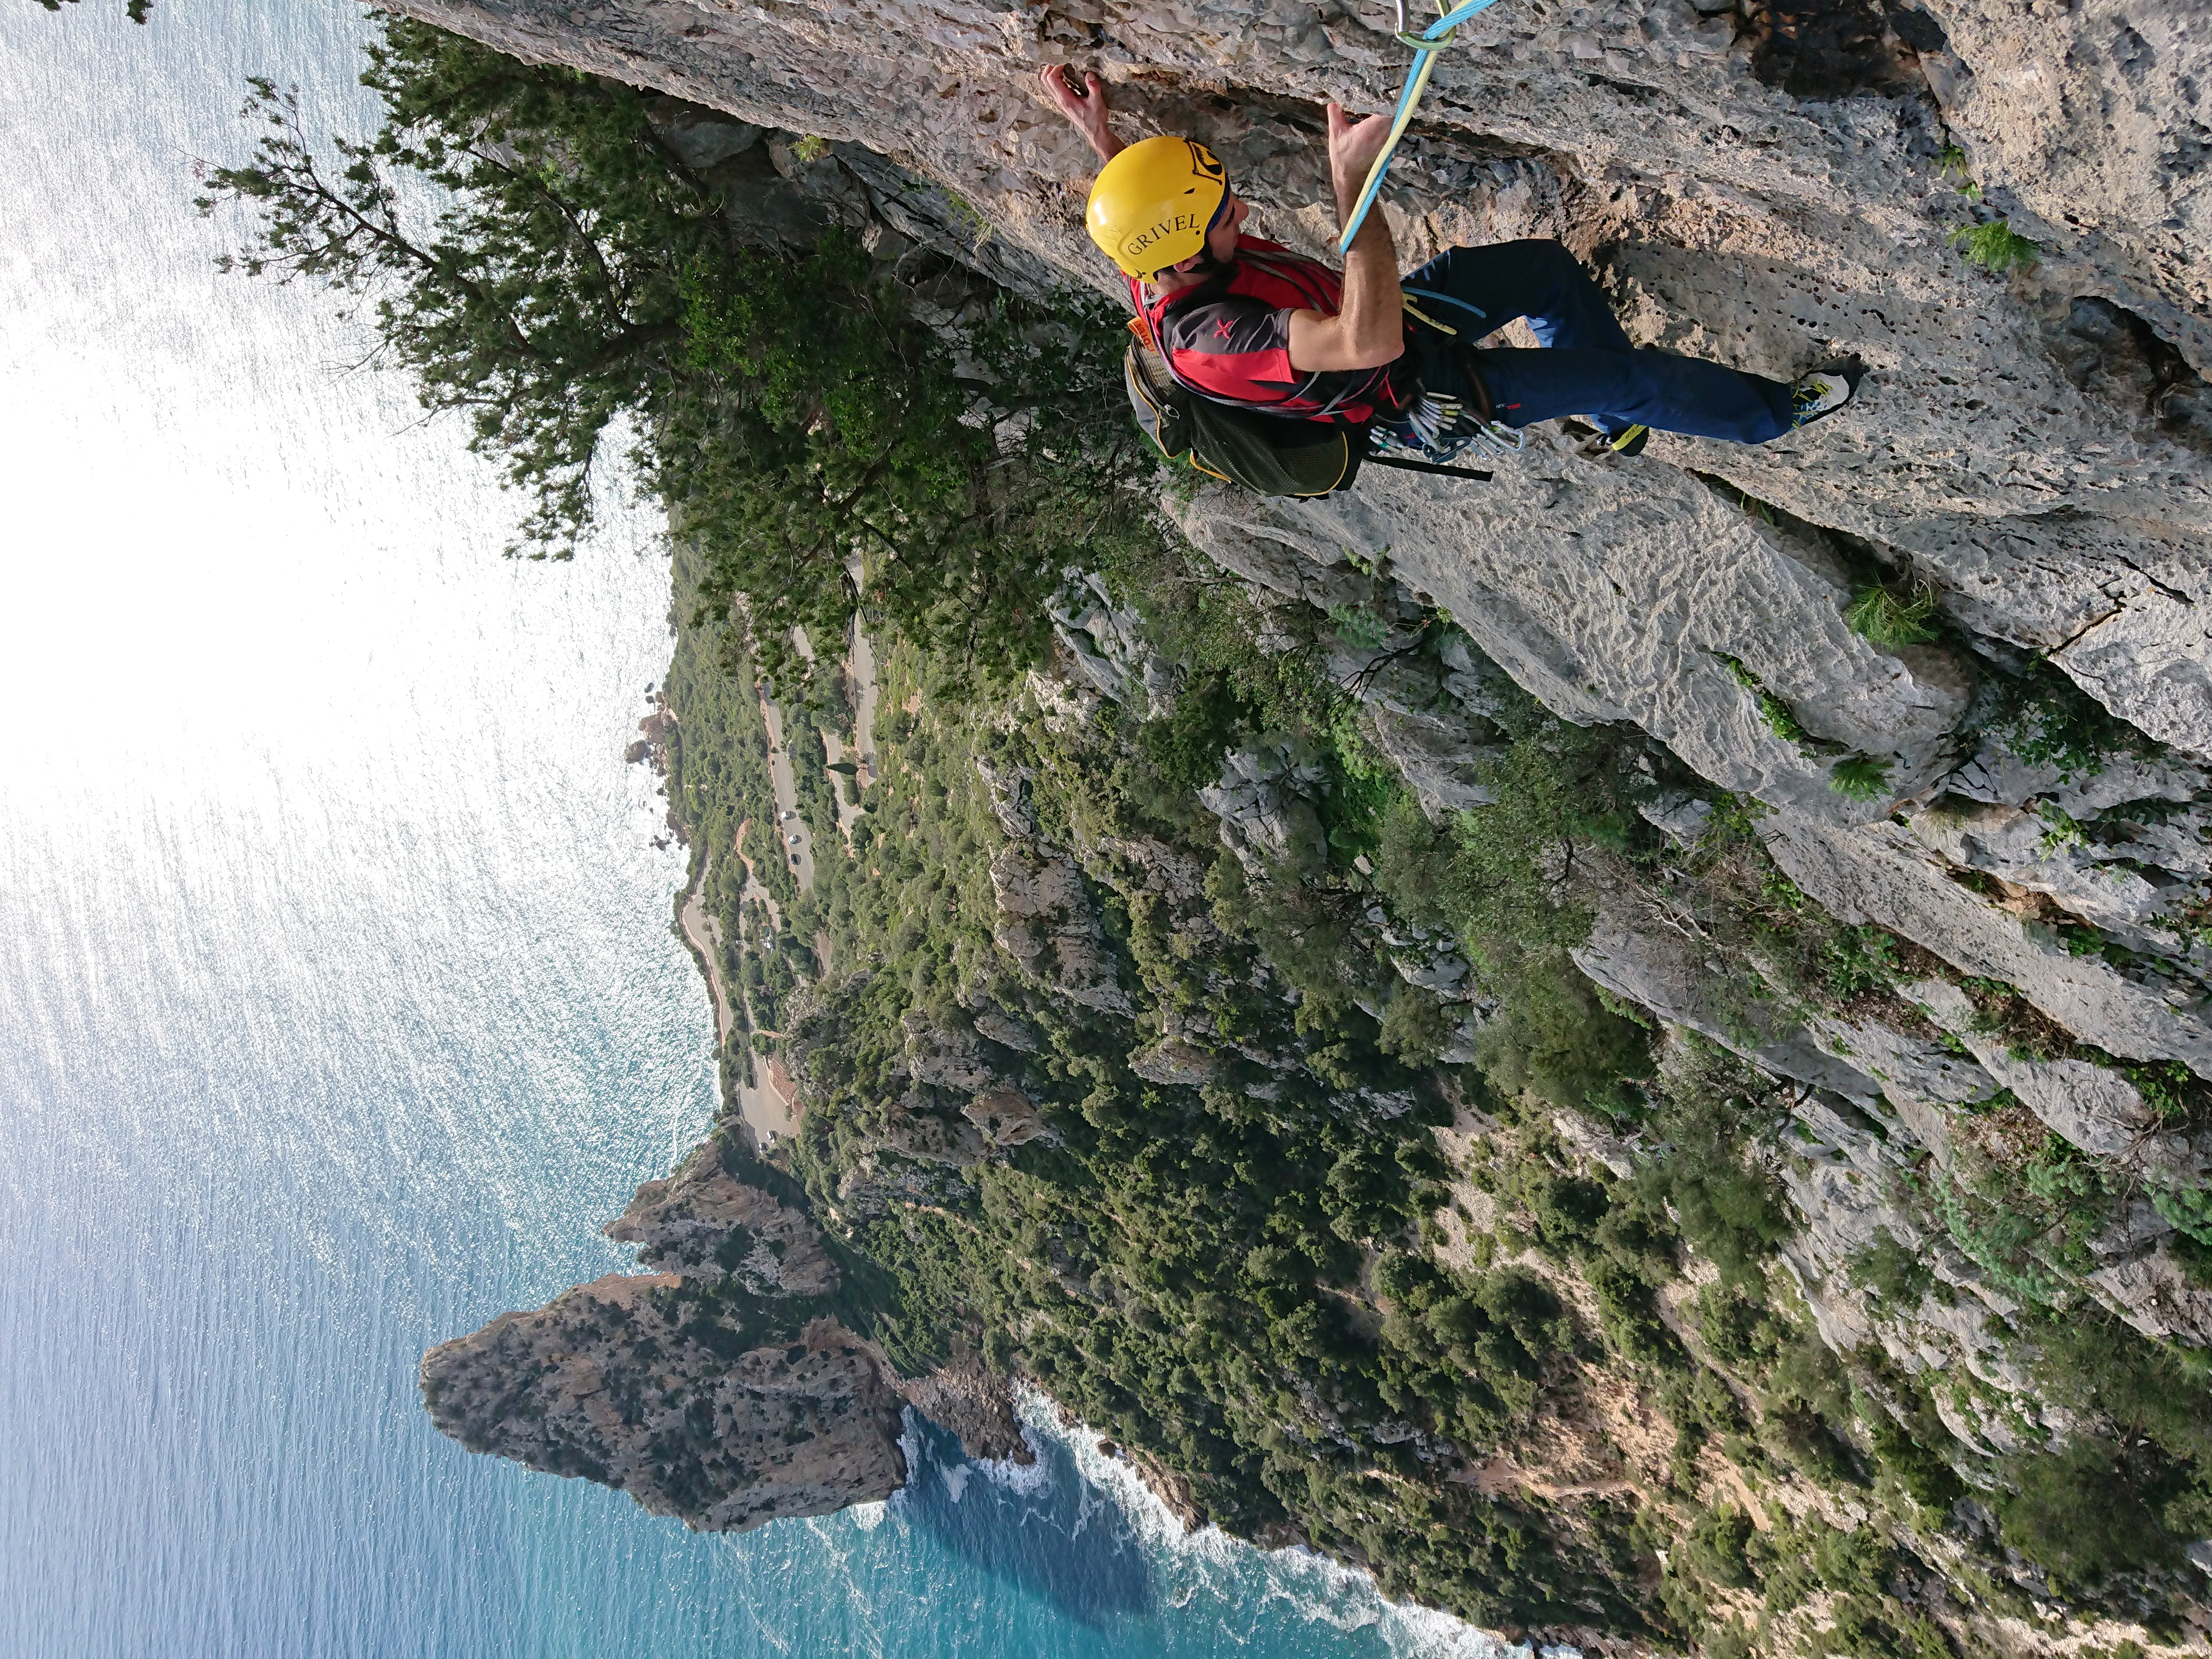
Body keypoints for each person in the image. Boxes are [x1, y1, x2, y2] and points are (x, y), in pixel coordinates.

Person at [1037, 64, 1858, 460]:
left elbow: (1142, 221)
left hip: (1401, 330)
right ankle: (1773, 416)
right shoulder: (1220, 343)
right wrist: (1352, 188)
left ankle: (1618, 422)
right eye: (1225, 218)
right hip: (1409, 388)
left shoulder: (1157, 257)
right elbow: (1368, 342)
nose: (1243, 215)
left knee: (1542, 270)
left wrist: (1101, 139)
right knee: (1625, 376)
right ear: (1187, 250)